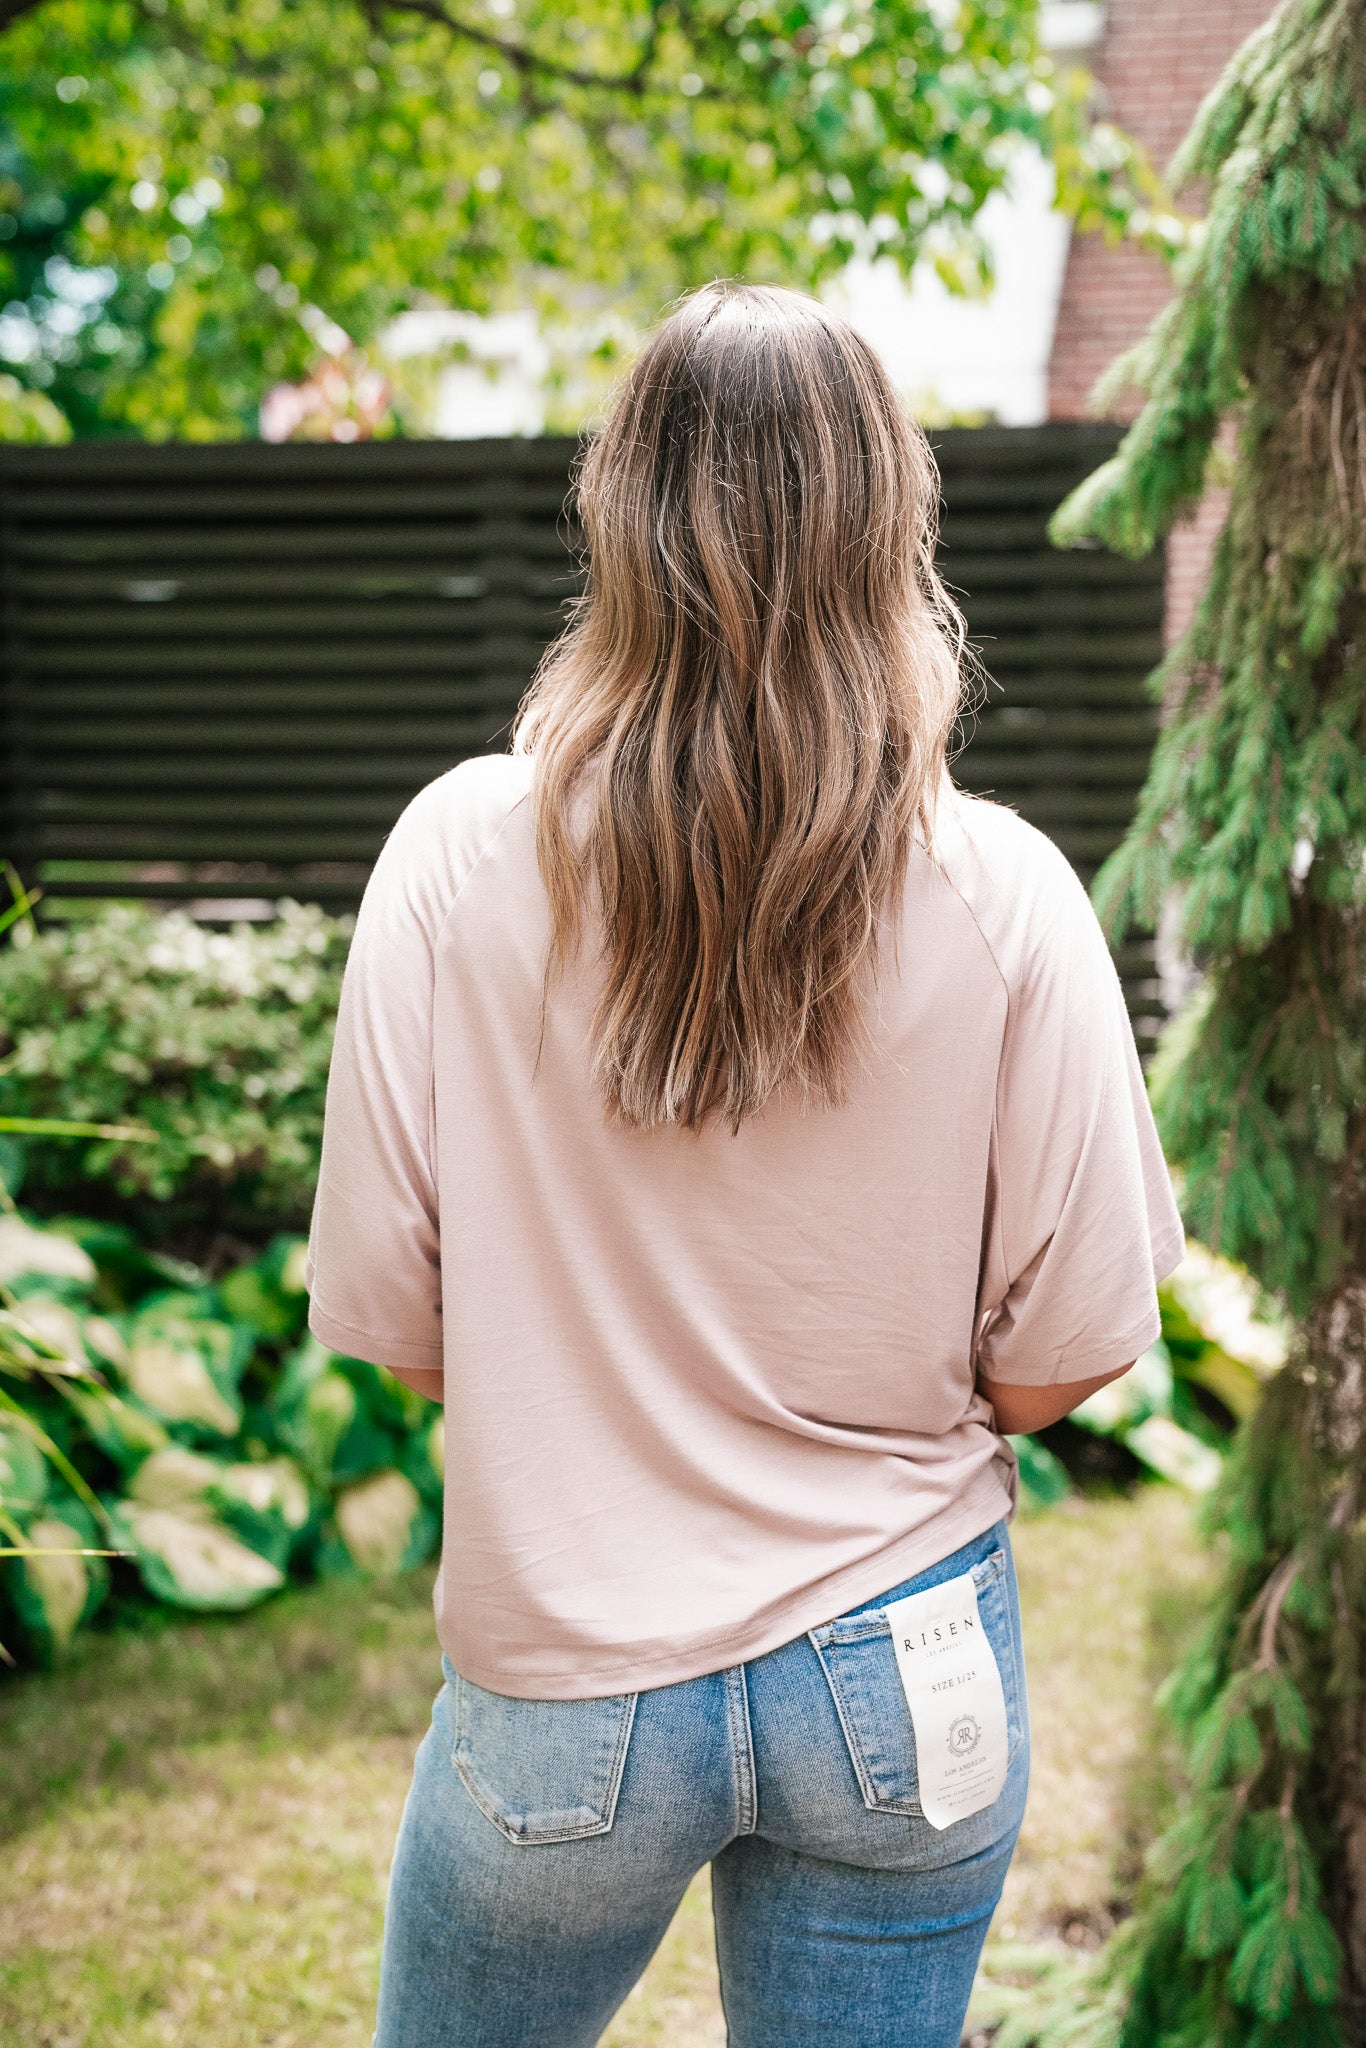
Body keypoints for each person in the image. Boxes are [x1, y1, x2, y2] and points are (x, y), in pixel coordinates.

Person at [306, 280, 1184, 2048]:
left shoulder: (453, 855)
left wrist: (596, 1423)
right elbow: (1078, 1347)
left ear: (613, 511)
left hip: (566, 1684)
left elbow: (400, 1324)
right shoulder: (1006, 890)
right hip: (904, 1662)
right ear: (893, 522)